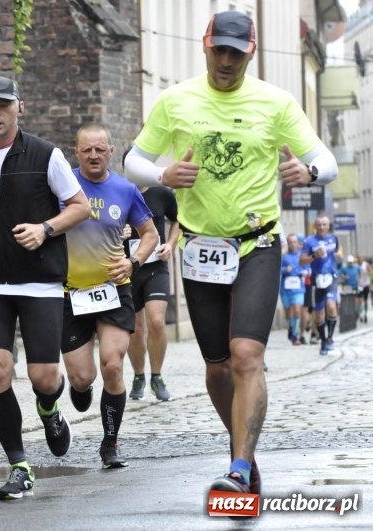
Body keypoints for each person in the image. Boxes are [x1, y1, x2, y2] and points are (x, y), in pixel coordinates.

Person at [123, 11, 338, 502]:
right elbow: (132, 159)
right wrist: (163, 176)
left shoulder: (276, 103)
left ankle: (239, 468)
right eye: (219, 49)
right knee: (218, 366)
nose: (225, 59)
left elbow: (324, 159)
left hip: (257, 243)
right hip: (200, 248)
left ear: (251, 52)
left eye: (235, 52)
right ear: (205, 45)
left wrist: (307, 171)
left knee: (246, 356)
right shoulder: (175, 100)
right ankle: (245, 449)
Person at [0, 75, 90, 501]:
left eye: (3, 106)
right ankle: (19, 464)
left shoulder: (46, 155)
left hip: (40, 280)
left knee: (44, 377)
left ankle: (48, 408)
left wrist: (46, 229)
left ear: (18, 109)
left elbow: (79, 207)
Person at [61, 124, 158, 468]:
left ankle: (110, 443)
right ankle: (80, 387)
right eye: (87, 149)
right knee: (82, 377)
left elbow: (150, 233)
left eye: (100, 149)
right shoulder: (62, 185)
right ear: (77, 152)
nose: (94, 156)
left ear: (111, 150)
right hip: (70, 293)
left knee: (113, 366)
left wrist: (133, 261)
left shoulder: (126, 189)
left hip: (113, 290)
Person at [121, 148, 180, 401]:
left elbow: (178, 221)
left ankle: (157, 376)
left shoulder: (162, 193)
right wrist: (117, 232)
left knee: (156, 321)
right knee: (136, 326)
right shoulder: (118, 192)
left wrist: (171, 245)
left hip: (156, 265)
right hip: (128, 268)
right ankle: (138, 376)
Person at [300, 215, 343, 356]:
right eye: (319, 225)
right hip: (316, 279)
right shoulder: (309, 241)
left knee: (331, 305)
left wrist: (339, 255)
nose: (322, 227)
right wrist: (315, 256)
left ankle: (330, 338)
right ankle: (323, 340)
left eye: (324, 224)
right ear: (315, 226)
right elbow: (301, 261)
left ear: (328, 226)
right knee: (318, 315)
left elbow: (338, 249)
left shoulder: (332, 238)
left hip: (331, 276)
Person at [280, 234, 306, 346]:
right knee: (288, 313)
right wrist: (285, 269)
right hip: (285, 288)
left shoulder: (302, 254)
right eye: (290, 242)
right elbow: (276, 269)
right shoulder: (284, 255)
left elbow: (308, 266)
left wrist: (305, 272)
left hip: (298, 287)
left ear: (297, 243)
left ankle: (295, 335)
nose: (292, 244)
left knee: (297, 309)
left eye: (294, 242)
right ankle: (290, 326)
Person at [338, 254, 363, 320]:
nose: (350, 264)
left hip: (355, 286)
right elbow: (338, 274)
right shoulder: (344, 268)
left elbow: (360, 273)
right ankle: (349, 314)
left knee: (356, 300)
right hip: (347, 286)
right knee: (348, 301)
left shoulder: (357, 267)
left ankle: (357, 312)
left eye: (351, 262)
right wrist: (344, 277)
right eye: (349, 262)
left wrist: (359, 278)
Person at [359, 257, 370, 323]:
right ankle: (361, 314)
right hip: (359, 285)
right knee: (360, 301)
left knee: (365, 300)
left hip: (366, 284)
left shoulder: (365, 264)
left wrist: (366, 272)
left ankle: (365, 314)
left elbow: (371, 272)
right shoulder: (356, 265)